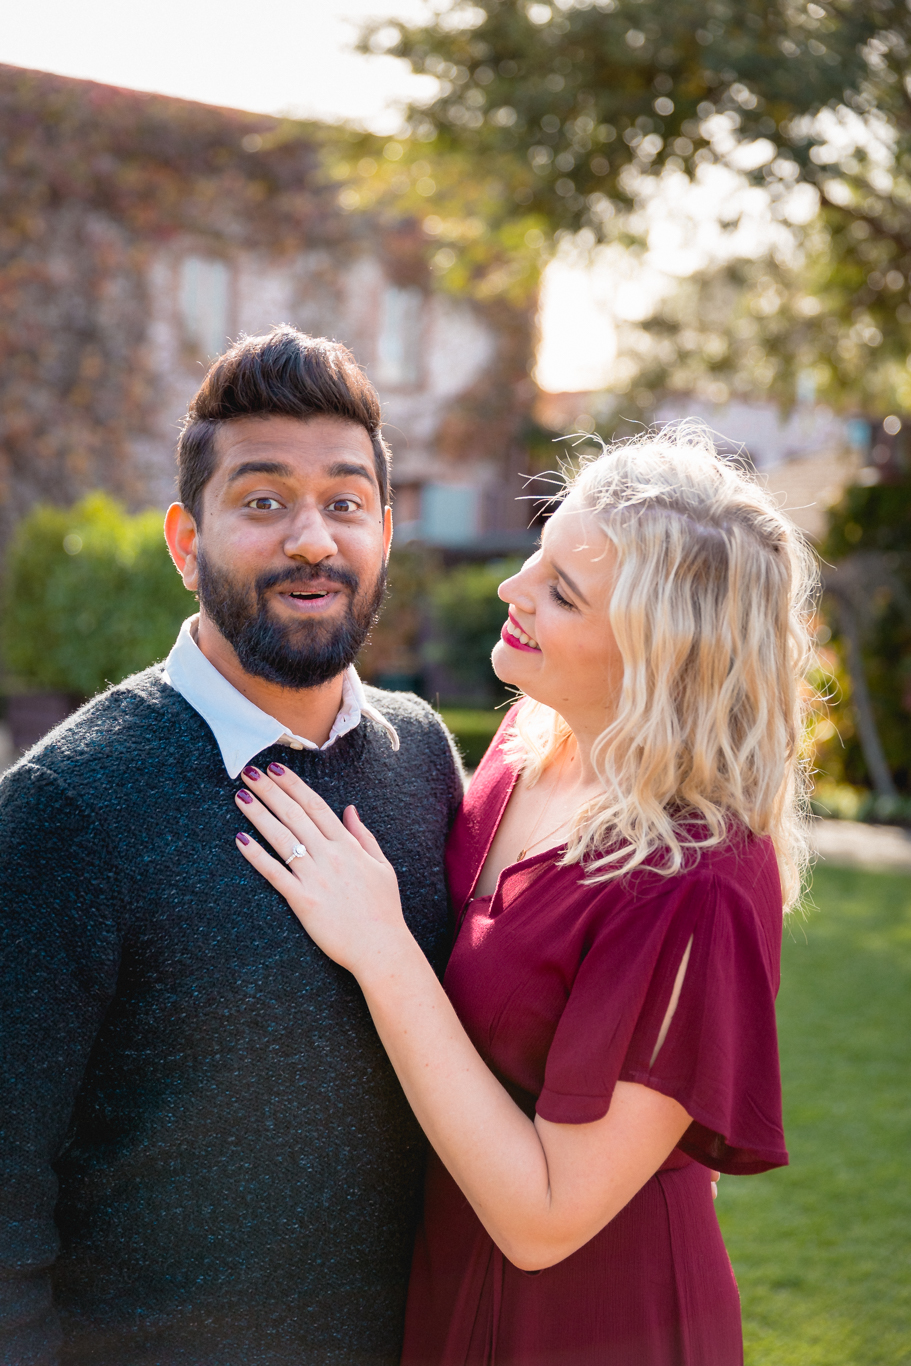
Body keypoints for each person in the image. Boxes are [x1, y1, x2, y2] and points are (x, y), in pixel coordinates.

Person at [228, 427, 815, 1366]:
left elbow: (544, 1219)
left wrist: (380, 947)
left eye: (560, 593)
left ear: (656, 656)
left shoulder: (697, 880)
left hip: (595, 1315)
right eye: (536, 559)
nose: (512, 591)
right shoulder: (528, 741)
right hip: (449, 1266)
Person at [0, 326, 464, 1365]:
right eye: (262, 501)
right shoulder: (67, 807)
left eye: (345, 502)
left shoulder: (425, 762)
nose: (311, 539)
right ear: (184, 540)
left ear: (384, 532)